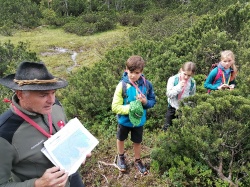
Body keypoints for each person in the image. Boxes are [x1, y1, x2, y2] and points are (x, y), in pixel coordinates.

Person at [0, 61, 89, 187]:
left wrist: (78, 149)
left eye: (53, 93)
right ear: (20, 94)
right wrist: (37, 184)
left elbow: (65, 133)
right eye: (43, 95)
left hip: (72, 178)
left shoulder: (55, 106)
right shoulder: (5, 133)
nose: (51, 101)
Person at [112, 55, 156, 175]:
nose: (133, 75)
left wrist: (145, 102)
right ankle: (121, 157)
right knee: (121, 138)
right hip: (124, 121)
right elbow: (115, 107)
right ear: (126, 69)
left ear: (141, 72)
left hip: (139, 121)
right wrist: (132, 107)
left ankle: (137, 160)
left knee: (137, 141)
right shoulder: (122, 86)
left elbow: (153, 101)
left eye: (136, 73)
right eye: (130, 72)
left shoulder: (147, 85)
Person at [162, 61, 196, 131]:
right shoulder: (173, 79)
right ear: (181, 70)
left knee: (182, 130)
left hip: (184, 109)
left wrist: (189, 109)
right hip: (172, 107)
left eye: (189, 75)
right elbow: (169, 94)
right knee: (167, 128)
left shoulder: (192, 82)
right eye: (185, 74)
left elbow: (192, 97)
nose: (186, 77)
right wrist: (179, 87)